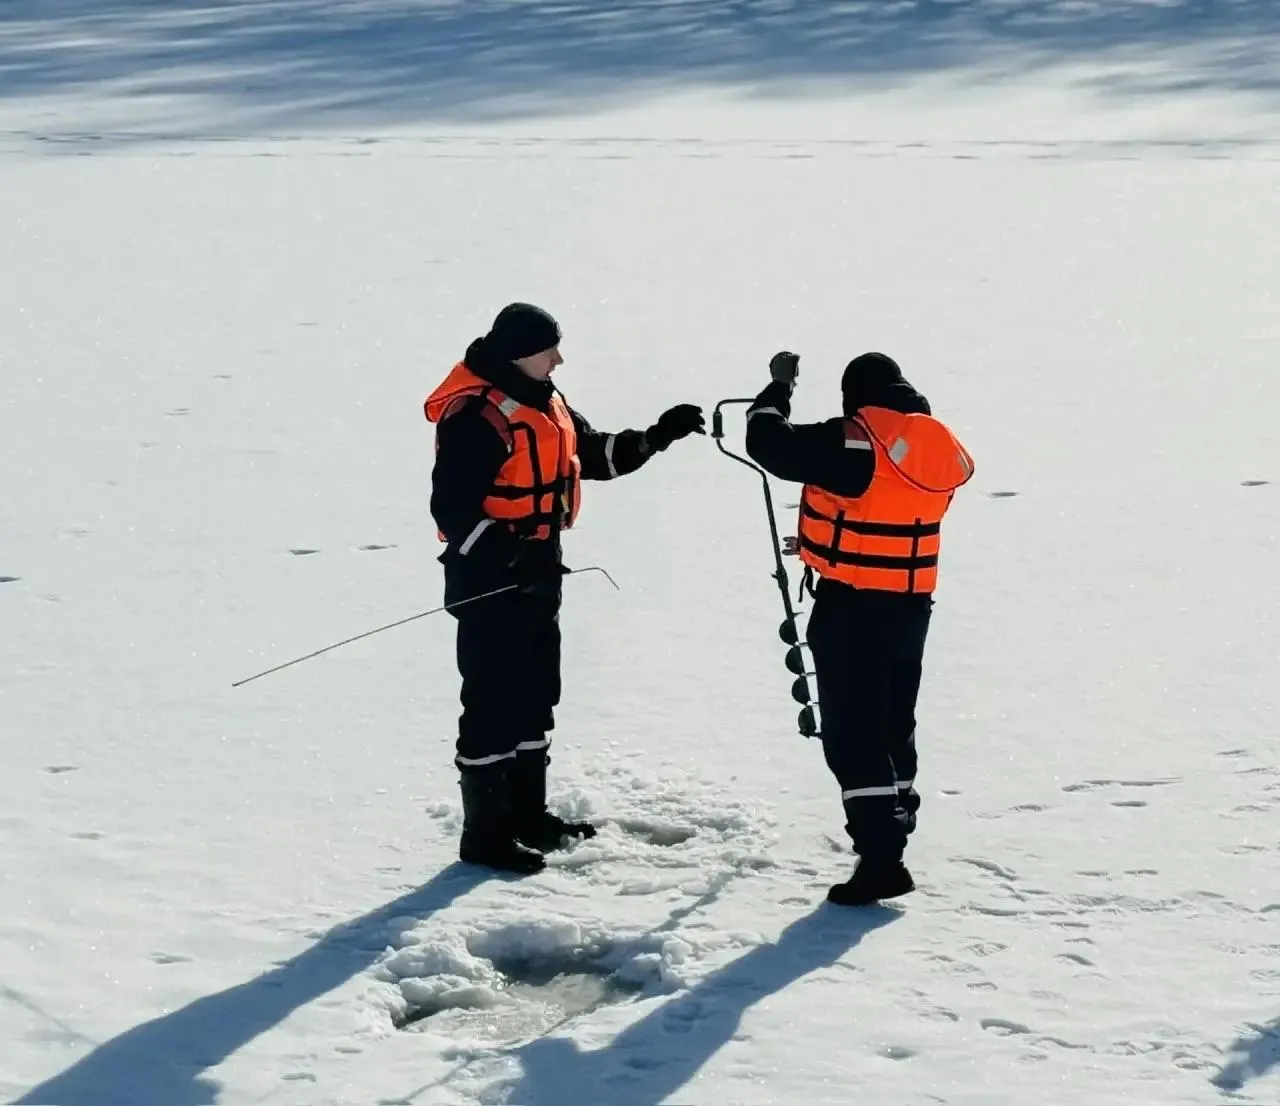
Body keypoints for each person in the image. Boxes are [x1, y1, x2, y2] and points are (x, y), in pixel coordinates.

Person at [424, 303, 705, 874]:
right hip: (491, 580)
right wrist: (509, 559)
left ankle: (529, 816)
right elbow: (451, 509)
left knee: (536, 692)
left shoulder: (545, 399)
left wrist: (656, 437)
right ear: (517, 352)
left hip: (540, 569)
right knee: (492, 701)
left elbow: (594, 455)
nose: (559, 358)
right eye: (548, 349)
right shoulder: (476, 417)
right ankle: (485, 836)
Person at [744, 349, 974, 905]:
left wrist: (776, 390)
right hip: (911, 605)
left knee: (853, 734)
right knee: (895, 721)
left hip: (852, 611)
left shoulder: (852, 440)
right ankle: (896, 821)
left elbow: (766, 443)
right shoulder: (931, 445)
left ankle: (880, 861)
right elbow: (880, 514)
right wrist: (822, 547)